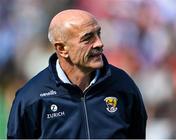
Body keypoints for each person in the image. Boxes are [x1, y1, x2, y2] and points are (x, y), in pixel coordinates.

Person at [7, 9, 147, 139]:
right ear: (62, 49)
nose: (99, 43)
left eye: (98, 34)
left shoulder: (122, 84)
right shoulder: (32, 97)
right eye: (87, 38)